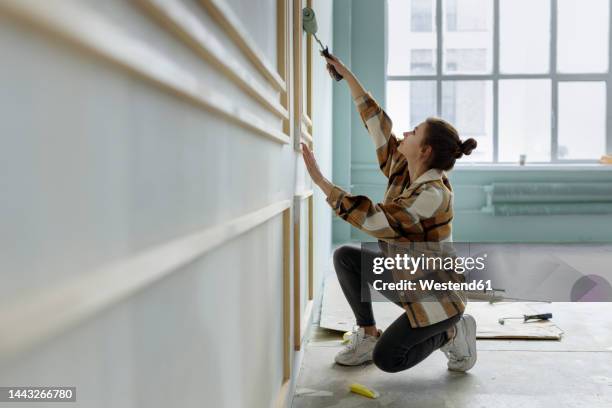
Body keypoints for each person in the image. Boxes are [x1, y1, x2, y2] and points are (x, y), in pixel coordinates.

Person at [300, 53, 479, 373]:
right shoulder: (407, 169)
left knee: (388, 359)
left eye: (414, 132)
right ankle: (367, 335)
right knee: (346, 257)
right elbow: (377, 124)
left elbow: (378, 221)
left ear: (424, 151)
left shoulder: (433, 195)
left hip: (438, 298)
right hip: (407, 277)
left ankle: (451, 333)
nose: (405, 135)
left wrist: (322, 184)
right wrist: (346, 73)